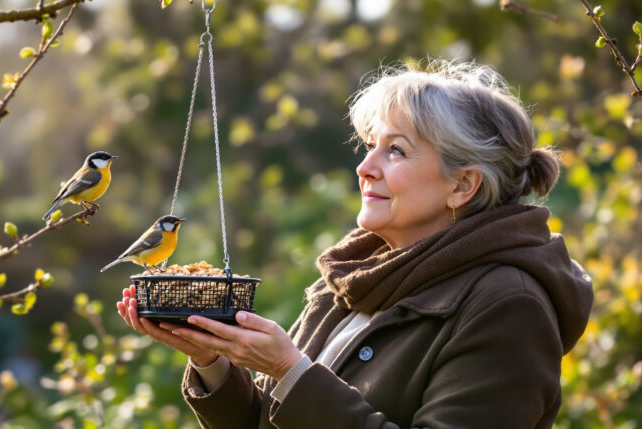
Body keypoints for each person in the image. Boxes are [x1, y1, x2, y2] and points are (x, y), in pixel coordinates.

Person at [116, 59, 594, 428]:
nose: (366, 168)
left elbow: (302, 393)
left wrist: (290, 371)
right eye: (370, 144)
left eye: (396, 150)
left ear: (462, 185)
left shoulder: (508, 304)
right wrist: (213, 360)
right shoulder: (354, 277)